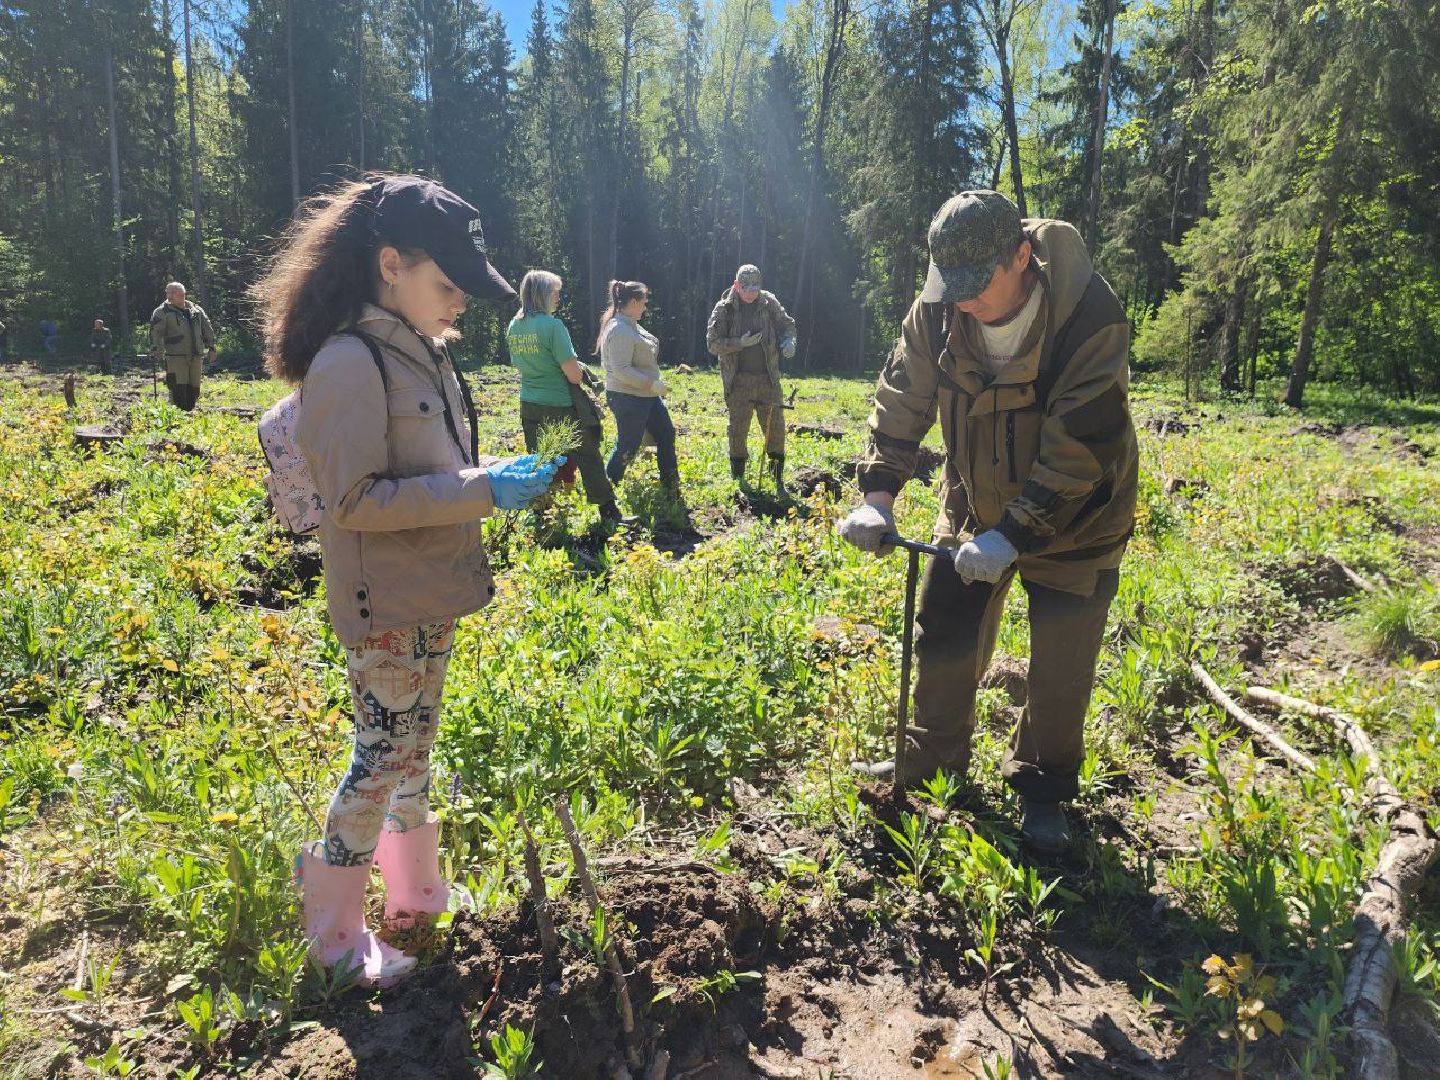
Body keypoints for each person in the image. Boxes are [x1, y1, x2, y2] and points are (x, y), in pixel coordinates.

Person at [251, 173, 562, 986]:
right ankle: (334, 935)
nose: (460, 303)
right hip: (382, 598)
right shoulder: (352, 362)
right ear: (390, 263)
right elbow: (353, 500)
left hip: (428, 589)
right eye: (447, 284)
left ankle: (414, 899)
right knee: (382, 755)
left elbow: (427, 467)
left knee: (413, 752)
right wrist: (483, 489)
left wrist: (489, 472)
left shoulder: (420, 352)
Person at [838, 190, 1138, 853]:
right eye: (952, 287)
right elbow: (901, 399)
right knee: (943, 633)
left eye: (978, 286)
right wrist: (879, 496)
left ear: (1022, 258)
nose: (962, 301)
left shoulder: (1089, 317)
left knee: (1061, 663)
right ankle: (933, 764)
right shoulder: (940, 312)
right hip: (975, 503)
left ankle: (1042, 789)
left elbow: (1081, 447)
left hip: (1079, 517)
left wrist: (1016, 534)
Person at [507, 270, 634, 526]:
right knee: (588, 455)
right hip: (559, 405)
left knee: (540, 459)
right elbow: (574, 376)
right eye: (555, 293)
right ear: (542, 294)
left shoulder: (514, 326)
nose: (558, 298)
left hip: (529, 404)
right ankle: (610, 514)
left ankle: (542, 514)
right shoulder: (553, 327)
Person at [706, 264, 797, 487]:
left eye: (756, 288)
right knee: (738, 430)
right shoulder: (723, 309)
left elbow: (788, 325)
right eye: (747, 289)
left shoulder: (769, 302)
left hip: (768, 379)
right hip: (739, 381)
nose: (751, 293)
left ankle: (776, 478)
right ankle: (739, 480)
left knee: (775, 428)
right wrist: (739, 344)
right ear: (737, 285)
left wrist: (789, 341)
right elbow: (712, 344)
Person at [598, 280, 681, 500]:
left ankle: (671, 484)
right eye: (643, 302)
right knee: (628, 444)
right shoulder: (620, 329)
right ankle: (608, 488)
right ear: (633, 302)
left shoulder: (631, 323)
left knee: (666, 433)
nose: (645, 307)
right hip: (628, 397)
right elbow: (621, 370)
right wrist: (652, 384)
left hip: (647, 396)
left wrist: (652, 387)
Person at [149, 281, 216, 410]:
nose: (169, 295)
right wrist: (156, 348)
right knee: (178, 386)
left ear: (183, 293)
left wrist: (212, 347)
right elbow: (155, 332)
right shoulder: (162, 311)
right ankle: (179, 414)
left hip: (196, 355)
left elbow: (207, 328)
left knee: (194, 386)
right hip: (175, 356)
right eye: (168, 292)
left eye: (173, 292)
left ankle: (190, 411)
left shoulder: (196, 310)